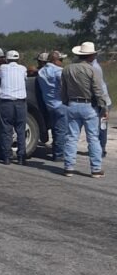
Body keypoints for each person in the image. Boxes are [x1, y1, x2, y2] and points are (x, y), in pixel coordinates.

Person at [61, 41, 107, 178]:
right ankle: (96, 169)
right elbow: (98, 91)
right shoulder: (92, 70)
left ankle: (68, 167)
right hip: (89, 106)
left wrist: (66, 102)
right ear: (91, 55)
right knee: (93, 138)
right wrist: (103, 106)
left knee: (71, 137)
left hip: (72, 104)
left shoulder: (67, 69)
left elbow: (63, 89)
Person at [0, 50, 28, 165]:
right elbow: (25, 78)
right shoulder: (23, 68)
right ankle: (21, 157)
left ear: (7, 59)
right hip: (20, 103)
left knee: (6, 130)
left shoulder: (2, 68)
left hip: (6, 102)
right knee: (21, 130)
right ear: (18, 59)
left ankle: (7, 157)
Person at [37, 51, 68, 161]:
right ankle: (59, 154)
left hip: (49, 104)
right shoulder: (58, 71)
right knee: (61, 131)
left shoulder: (41, 72)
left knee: (55, 129)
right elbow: (64, 86)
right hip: (60, 103)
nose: (62, 62)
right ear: (55, 60)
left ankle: (56, 150)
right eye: (61, 60)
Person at [89, 52, 112, 157]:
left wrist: (104, 104)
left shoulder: (94, 67)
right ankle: (100, 148)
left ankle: (101, 148)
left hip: (102, 100)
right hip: (101, 100)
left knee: (101, 126)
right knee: (101, 125)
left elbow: (99, 87)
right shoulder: (93, 66)